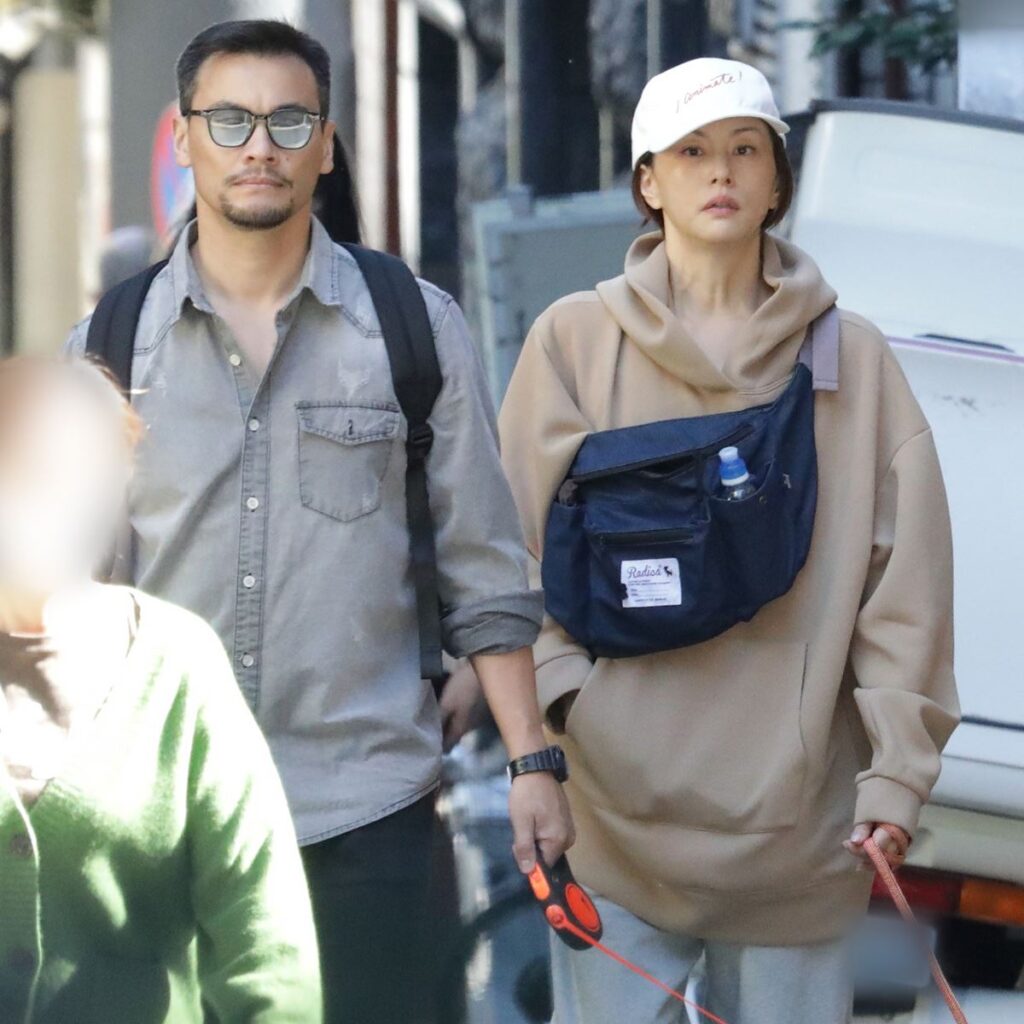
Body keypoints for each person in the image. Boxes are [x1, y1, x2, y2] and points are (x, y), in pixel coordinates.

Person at [66, 19, 573, 1024]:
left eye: (289, 121)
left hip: (367, 813)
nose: (260, 145)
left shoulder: (411, 326)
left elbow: (484, 567)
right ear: (186, 138)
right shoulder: (111, 345)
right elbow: (71, 591)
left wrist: (531, 762)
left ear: (326, 145)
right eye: (231, 120)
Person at [498, 57, 960, 1024]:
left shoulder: (853, 360)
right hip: (610, 823)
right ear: (647, 182)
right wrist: (565, 705)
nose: (721, 171)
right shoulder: (572, 342)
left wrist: (897, 773)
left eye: (747, 150)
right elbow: (511, 558)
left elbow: (905, 588)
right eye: (692, 151)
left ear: (778, 181)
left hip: (797, 836)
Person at [0, 356, 321, 1024]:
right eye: (23, 469)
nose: (44, 500)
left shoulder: (178, 662)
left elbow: (266, 941)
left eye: (69, 474)